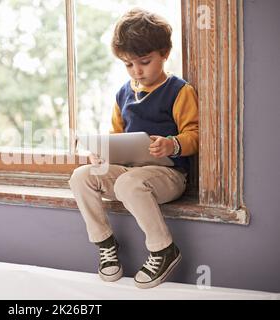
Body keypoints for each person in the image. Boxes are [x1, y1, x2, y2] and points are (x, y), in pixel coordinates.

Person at [69, 8, 199, 289]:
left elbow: (195, 135)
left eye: (144, 62)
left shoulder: (180, 91)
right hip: (131, 173)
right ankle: (105, 242)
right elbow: (117, 135)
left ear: (164, 54)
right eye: (129, 64)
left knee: (129, 182)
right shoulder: (123, 94)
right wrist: (102, 153)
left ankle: (164, 248)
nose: (137, 71)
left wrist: (172, 144)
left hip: (169, 176)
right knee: (81, 176)